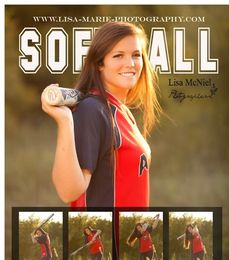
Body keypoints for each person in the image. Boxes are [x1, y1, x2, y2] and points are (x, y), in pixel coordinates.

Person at [41, 22, 161, 207]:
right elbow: (69, 192)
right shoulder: (92, 110)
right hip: (104, 235)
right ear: (99, 64)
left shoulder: (122, 112)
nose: (130, 63)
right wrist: (65, 122)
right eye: (118, 55)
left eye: (136, 55)